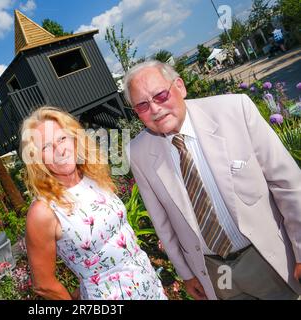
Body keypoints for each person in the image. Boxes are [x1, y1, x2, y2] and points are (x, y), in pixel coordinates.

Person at [123, 60, 301, 300]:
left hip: (267, 257)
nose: (155, 109)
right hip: (216, 272)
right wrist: (186, 274)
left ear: (180, 87)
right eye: (142, 105)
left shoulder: (235, 110)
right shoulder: (139, 152)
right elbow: (162, 224)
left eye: (161, 95)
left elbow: (287, 184)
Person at [20, 106, 167, 300]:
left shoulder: (94, 177)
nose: (59, 150)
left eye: (62, 138)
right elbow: (44, 285)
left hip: (151, 289)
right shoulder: (43, 211)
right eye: (46, 147)